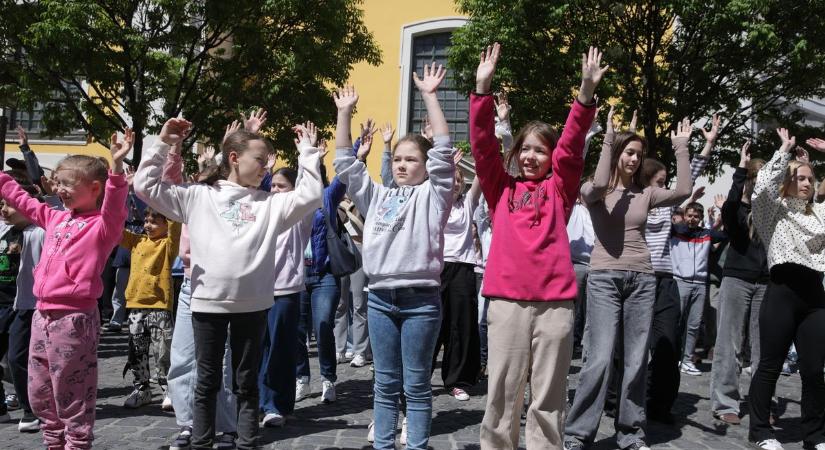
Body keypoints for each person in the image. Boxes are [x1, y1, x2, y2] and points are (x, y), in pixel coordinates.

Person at [134, 118, 322, 450]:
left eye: (266, 161)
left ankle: (247, 442)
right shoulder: (199, 196)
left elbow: (309, 196)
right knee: (205, 381)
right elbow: (146, 186)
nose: (265, 166)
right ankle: (201, 442)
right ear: (234, 158)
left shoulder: (269, 203)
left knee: (246, 382)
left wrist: (307, 153)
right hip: (208, 304)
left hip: (253, 306)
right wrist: (161, 143)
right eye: (259, 159)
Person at [470, 43, 606, 450]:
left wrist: (584, 96)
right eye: (525, 149)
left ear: (549, 157)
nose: (531, 156)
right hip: (507, 304)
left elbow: (571, 146)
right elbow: (481, 148)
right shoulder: (500, 189)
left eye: (539, 150)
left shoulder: (560, 190)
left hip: (554, 306)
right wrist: (482, 89)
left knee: (547, 398)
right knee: (501, 394)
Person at [333, 66, 454, 449]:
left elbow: (445, 154)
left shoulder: (434, 196)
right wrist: (344, 113)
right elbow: (346, 166)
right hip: (381, 298)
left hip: (420, 301)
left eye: (411, 160)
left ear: (425, 165)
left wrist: (431, 96)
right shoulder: (379, 197)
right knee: (384, 383)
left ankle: (415, 445)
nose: (402, 165)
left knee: (416, 385)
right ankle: (384, 444)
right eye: (398, 159)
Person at [565, 110, 694, 450]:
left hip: (642, 278)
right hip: (604, 278)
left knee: (637, 359)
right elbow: (598, 184)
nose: (636, 159)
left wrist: (681, 147)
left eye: (639, 154)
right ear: (618, 152)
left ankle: (631, 433)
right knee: (600, 358)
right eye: (630, 152)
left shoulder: (646, 195)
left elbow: (683, 190)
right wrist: (608, 139)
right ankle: (578, 434)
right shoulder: (593, 190)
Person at [0, 130, 132, 449]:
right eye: (57, 183)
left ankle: (76, 443)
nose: (59, 190)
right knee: (40, 391)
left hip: (74, 319)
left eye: (66, 184)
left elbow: (115, 207)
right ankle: (54, 442)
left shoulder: (102, 227)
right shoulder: (55, 218)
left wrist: (115, 169)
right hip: (42, 314)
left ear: (94, 188)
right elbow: (22, 200)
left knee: (71, 391)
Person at [746, 129, 825, 450]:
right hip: (781, 292)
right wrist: (783, 152)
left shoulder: (819, 212)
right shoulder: (773, 212)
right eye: (801, 178)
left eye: (811, 178)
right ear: (789, 181)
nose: (807, 183)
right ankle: (761, 431)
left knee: (813, 370)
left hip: (815, 297)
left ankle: (815, 435)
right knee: (770, 365)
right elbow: (763, 186)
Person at [709, 140, 768, 425]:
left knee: (762, 348)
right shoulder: (737, 210)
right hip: (736, 280)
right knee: (728, 344)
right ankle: (725, 402)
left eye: (760, 177)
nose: (756, 183)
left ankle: (760, 404)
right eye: (752, 178)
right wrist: (740, 169)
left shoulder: (771, 212)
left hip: (767, 283)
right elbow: (730, 206)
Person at [259, 139, 316, 428]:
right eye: (273, 186)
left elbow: (311, 191)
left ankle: (277, 404)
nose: (275, 191)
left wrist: (307, 155)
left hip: (286, 291)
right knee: (258, 349)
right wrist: (265, 172)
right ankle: (258, 400)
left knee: (281, 350)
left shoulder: (299, 217)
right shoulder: (263, 210)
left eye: (282, 186)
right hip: (257, 291)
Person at [119, 191, 182, 409]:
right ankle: (142, 389)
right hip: (135, 305)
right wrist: (122, 192)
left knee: (162, 350)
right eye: (146, 220)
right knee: (137, 350)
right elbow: (115, 226)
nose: (148, 225)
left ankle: (169, 389)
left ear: (165, 224)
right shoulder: (136, 241)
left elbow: (176, 223)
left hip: (160, 306)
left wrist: (163, 197)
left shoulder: (168, 244)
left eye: (155, 222)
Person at [0, 174, 44, 433]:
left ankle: (31, 408)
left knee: (17, 357)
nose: (4, 209)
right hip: (1, 302)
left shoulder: (38, 233)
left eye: (8, 204)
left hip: (25, 305)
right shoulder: (4, 229)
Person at [670, 200, 726, 375]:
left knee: (693, 325)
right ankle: (671, 358)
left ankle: (686, 360)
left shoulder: (707, 234)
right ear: (684, 216)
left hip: (700, 285)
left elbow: (729, 234)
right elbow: (672, 213)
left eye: (696, 216)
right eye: (689, 215)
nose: (692, 219)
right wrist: (691, 196)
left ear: (701, 218)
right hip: (680, 281)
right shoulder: (676, 231)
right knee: (675, 322)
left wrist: (724, 210)